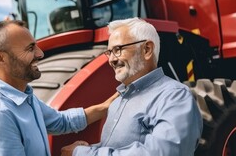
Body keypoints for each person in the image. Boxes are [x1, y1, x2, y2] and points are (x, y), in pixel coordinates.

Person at [0, 20, 118, 156]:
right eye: (30, 48)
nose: (40, 53)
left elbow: (61, 121)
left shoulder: (23, 96)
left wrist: (107, 106)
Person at [61, 17, 203, 156]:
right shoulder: (117, 102)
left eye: (118, 49)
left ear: (147, 50)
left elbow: (165, 152)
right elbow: (116, 148)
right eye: (109, 52)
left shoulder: (175, 96)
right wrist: (90, 148)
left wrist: (82, 153)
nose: (111, 60)